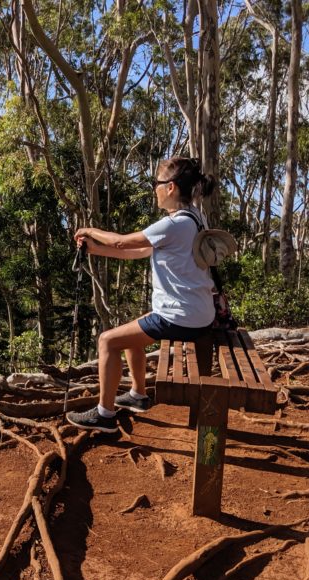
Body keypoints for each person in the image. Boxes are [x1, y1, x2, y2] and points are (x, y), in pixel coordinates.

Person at [66, 157, 216, 433]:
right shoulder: (194, 218)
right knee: (132, 333)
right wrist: (94, 250)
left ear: (170, 187)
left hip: (181, 317)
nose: (154, 189)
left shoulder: (173, 225)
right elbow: (137, 251)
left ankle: (105, 414)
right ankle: (137, 395)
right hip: (197, 313)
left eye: (156, 184)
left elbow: (122, 240)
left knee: (108, 341)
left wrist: (89, 230)